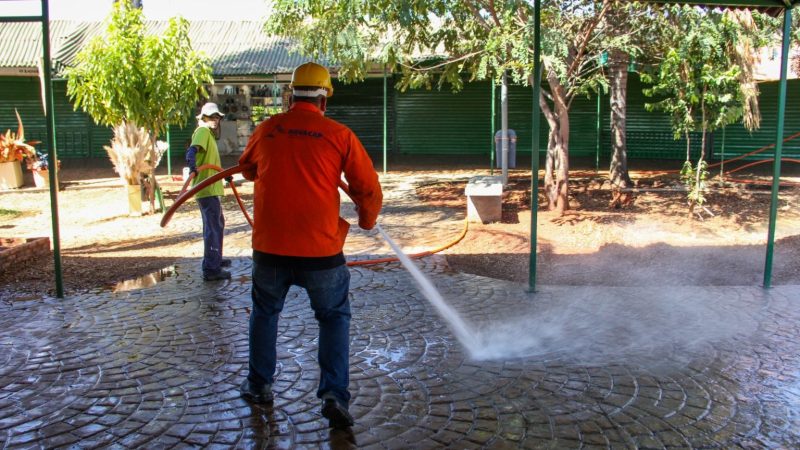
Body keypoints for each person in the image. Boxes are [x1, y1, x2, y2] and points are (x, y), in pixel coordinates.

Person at [237, 62, 383, 429]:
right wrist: (367, 220)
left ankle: (259, 386)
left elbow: (246, 168)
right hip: (321, 251)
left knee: (264, 313)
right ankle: (334, 394)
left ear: (291, 94)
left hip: (270, 248)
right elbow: (366, 187)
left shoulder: (268, 129)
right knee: (333, 318)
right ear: (324, 99)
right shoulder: (339, 134)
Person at [186, 102, 232, 281]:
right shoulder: (203, 131)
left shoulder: (209, 135)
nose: (215, 120)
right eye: (212, 117)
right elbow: (192, 150)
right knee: (213, 227)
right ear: (203, 117)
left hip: (211, 187)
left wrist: (224, 175)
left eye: (217, 117)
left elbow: (210, 161)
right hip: (205, 188)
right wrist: (191, 162)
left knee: (217, 223)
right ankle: (211, 269)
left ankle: (215, 259)